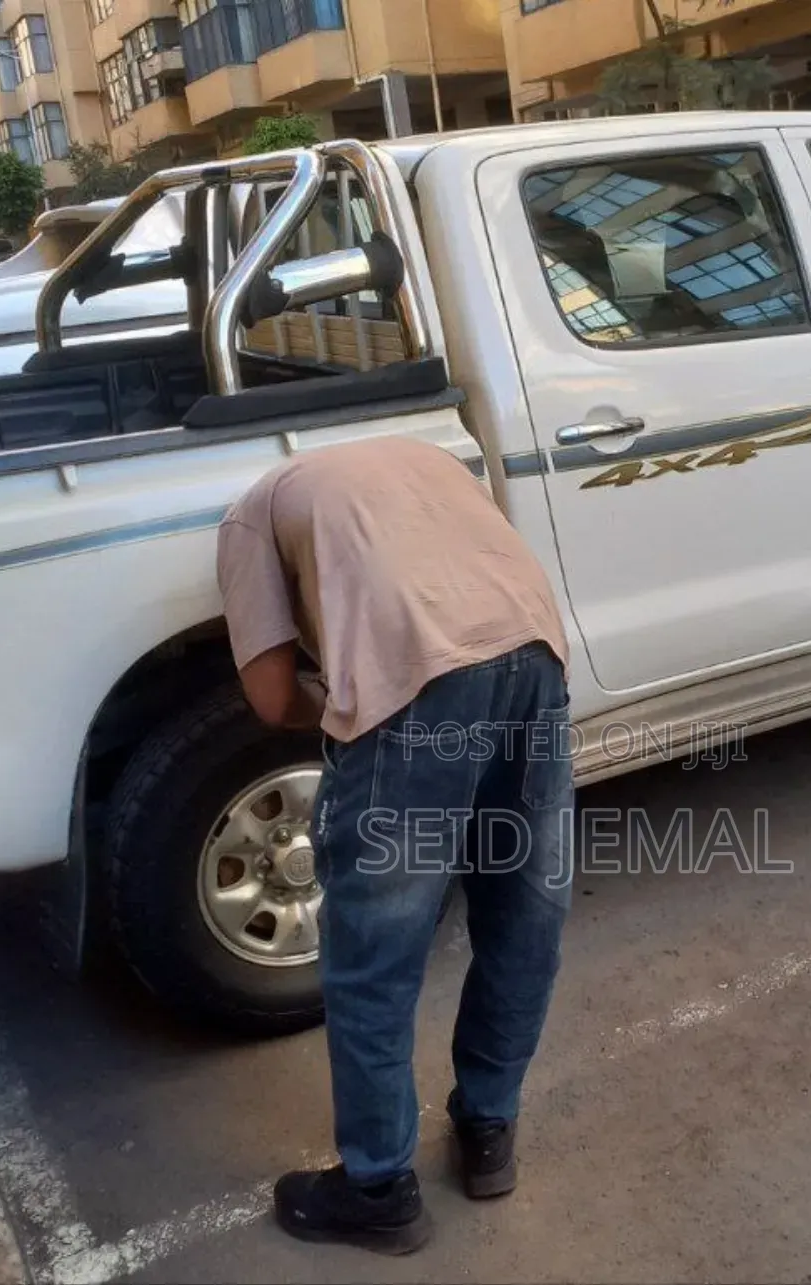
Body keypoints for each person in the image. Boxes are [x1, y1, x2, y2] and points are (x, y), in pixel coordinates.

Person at [215, 434, 575, 1256]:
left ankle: (377, 1186)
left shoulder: (248, 517)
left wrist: (346, 698)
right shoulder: (422, 457)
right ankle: (489, 1128)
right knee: (523, 913)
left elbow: (272, 698)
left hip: (421, 681)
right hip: (535, 655)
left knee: (376, 952)